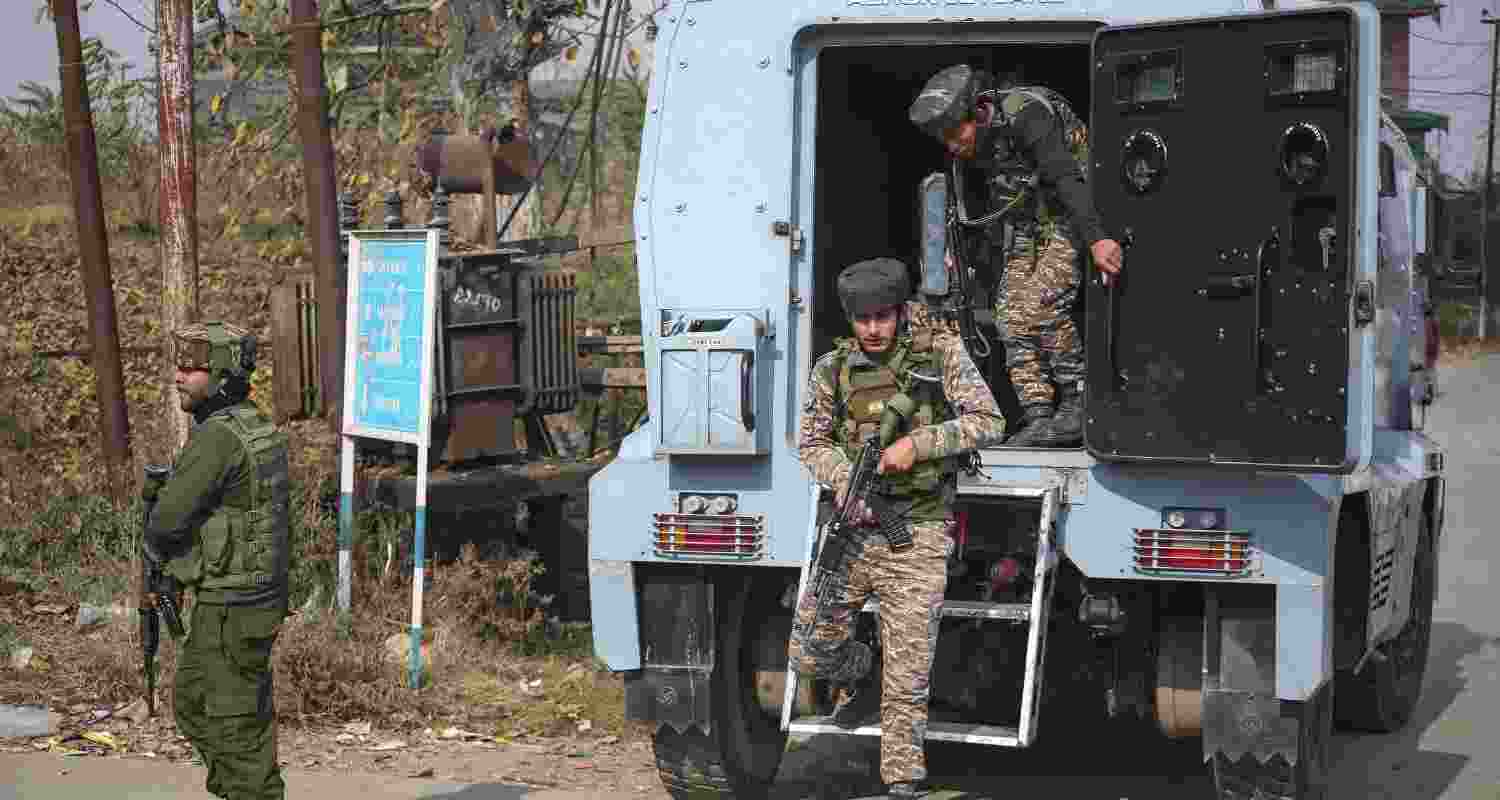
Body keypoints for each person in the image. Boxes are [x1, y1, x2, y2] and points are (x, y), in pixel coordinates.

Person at [789, 258, 1007, 799]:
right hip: (852, 531)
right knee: (809, 651)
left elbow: (989, 421)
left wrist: (918, 444)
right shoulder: (832, 369)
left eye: (882, 317)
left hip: (918, 530)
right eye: (862, 319)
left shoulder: (940, 353)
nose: (872, 329)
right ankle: (863, 672)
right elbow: (811, 443)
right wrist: (846, 478)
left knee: (908, 675)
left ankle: (902, 782)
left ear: (902, 311)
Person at [909, 64, 1125, 447]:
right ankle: (1038, 415)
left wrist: (1097, 239)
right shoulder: (970, 147)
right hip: (1029, 220)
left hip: (1074, 209)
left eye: (955, 134)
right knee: (1009, 316)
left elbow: (1063, 176)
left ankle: (1077, 401)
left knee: (1041, 305)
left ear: (978, 113)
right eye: (944, 139)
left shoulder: (1028, 115)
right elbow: (974, 207)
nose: (952, 146)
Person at [144, 321, 291, 800]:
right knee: (194, 702)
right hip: (245, 598)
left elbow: (166, 523)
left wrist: (166, 558)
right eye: (178, 365)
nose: (178, 376)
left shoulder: (218, 439)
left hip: (234, 604)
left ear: (224, 376)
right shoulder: (252, 423)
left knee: (233, 725)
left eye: (192, 368)